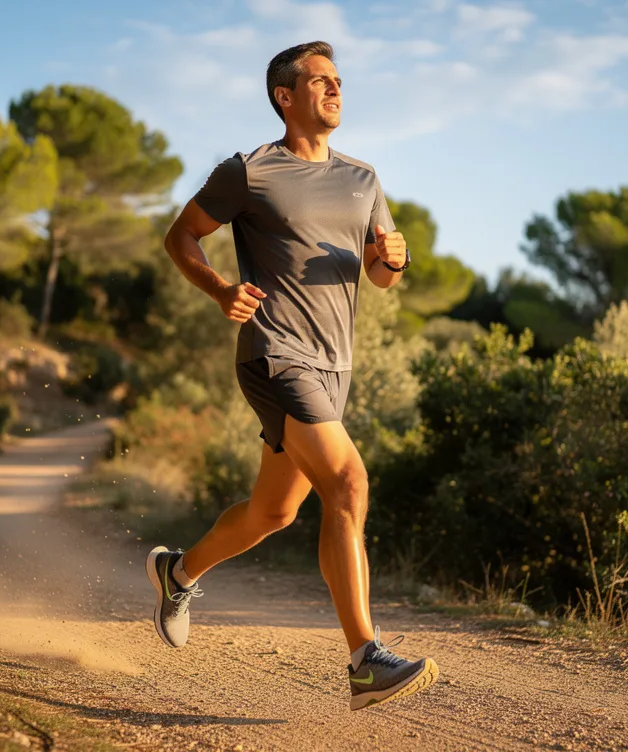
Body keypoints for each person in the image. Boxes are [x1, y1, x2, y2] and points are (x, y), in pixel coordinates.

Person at [147, 40, 438, 711]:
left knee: (274, 513)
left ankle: (177, 573)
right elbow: (180, 236)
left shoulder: (363, 178)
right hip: (274, 352)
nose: (336, 89)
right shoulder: (250, 171)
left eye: (339, 80)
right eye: (321, 80)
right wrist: (221, 290)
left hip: (336, 365)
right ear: (285, 96)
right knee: (348, 481)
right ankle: (365, 660)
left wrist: (393, 259)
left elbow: (381, 278)